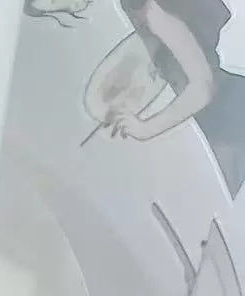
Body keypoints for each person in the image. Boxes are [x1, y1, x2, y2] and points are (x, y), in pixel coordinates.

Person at [91, 0, 245, 197]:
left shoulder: (155, 15)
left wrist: (144, 129)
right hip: (208, 109)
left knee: (212, 189)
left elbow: (203, 88)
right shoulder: (141, 15)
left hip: (227, 105)